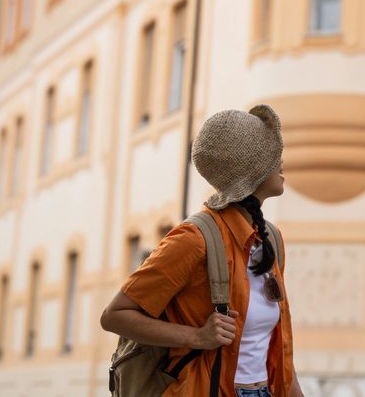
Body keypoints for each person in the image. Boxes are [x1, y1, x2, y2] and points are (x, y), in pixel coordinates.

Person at [101, 105, 304, 397]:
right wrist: (197, 336)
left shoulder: (271, 239)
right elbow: (114, 315)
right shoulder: (194, 239)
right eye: (271, 155)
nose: (281, 161)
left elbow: (277, 346)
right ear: (251, 170)